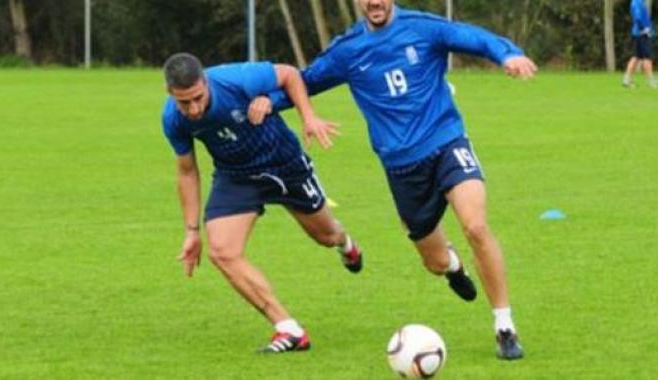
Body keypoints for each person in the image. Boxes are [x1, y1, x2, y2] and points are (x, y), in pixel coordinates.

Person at [262, 0, 536, 360]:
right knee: (434, 262)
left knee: (475, 226)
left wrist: (507, 55)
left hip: (446, 143)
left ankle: (504, 326)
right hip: (402, 169)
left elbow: (474, 38)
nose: (374, 2)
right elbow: (304, 82)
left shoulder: (423, 28)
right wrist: (265, 101)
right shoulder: (348, 51)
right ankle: (453, 266)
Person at [162, 53, 363, 354]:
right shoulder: (173, 119)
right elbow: (187, 172)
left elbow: (290, 75)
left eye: (197, 98)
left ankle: (345, 243)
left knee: (325, 235)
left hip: (284, 164)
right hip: (236, 176)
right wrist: (191, 231)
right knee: (222, 252)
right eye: (184, 103)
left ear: (206, 82)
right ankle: (288, 329)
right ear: (171, 95)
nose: (193, 109)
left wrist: (307, 116)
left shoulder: (238, 79)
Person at [623, 0, 658, 88]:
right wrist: (645, 28)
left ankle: (627, 79)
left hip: (639, 33)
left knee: (636, 57)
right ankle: (650, 80)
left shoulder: (638, 2)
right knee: (647, 57)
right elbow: (638, 17)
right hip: (642, 34)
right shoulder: (637, 2)